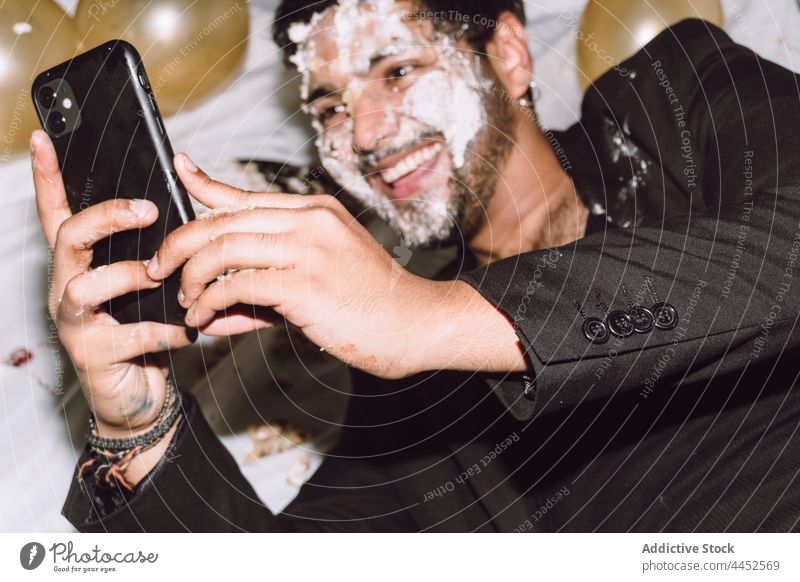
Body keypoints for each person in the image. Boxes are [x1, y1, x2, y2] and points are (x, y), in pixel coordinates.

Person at [32, 0, 800, 532]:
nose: (363, 132)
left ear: (507, 52)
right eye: (328, 107)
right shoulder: (396, 362)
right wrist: (134, 421)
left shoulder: (669, 102)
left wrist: (434, 317)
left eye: (395, 71)